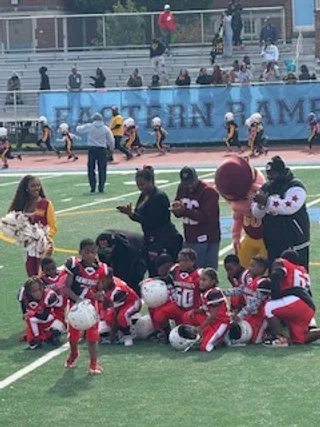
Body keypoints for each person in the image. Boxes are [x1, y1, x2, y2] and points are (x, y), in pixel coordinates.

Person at [117, 166, 183, 276]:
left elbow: (152, 221)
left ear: (151, 181)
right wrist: (130, 214)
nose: (140, 188)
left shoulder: (159, 197)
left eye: (143, 184)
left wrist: (133, 214)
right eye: (138, 185)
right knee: (150, 268)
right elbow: (141, 217)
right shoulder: (144, 195)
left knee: (163, 270)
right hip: (150, 237)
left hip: (164, 238)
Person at [252, 156, 310, 271]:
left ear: (281, 172)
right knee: (275, 276)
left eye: (273, 174)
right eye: (268, 174)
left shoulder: (296, 187)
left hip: (295, 240)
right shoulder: (267, 187)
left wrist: (267, 201)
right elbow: (257, 213)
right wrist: (260, 205)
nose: (270, 177)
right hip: (274, 241)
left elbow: (289, 207)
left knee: (297, 274)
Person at [214, 156, 268, 269]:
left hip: (266, 238)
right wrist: (236, 236)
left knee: (264, 269)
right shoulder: (239, 204)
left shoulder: (259, 195)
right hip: (250, 237)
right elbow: (238, 219)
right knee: (241, 266)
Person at [64, 238, 108, 374]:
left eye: (93, 252)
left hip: (90, 308)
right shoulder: (74, 266)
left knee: (92, 336)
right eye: (87, 252)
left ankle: (93, 363)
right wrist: (78, 300)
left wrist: (99, 295)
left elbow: (100, 290)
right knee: (73, 335)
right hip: (75, 306)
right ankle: (74, 353)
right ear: (80, 252)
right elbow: (66, 288)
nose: (90, 255)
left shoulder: (101, 269)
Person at [263, 250, 320, 347]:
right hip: (309, 306)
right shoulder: (302, 270)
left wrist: (275, 295)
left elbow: (276, 275)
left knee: (268, 307)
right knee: (299, 339)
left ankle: (280, 338)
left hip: (296, 301)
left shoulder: (281, 262)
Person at [171, 166, 220, 269]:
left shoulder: (209, 192)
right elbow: (179, 209)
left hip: (206, 238)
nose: (189, 186)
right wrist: (176, 209)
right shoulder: (182, 188)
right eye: (186, 183)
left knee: (204, 273)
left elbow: (207, 218)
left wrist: (185, 211)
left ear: (196, 178)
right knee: (187, 271)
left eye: (191, 183)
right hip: (189, 236)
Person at [8, 175, 57, 276]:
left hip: (43, 245)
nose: (36, 188)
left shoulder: (46, 203)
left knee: (41, 274)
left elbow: (53, 227)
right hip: (28, 246)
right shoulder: (22, 205)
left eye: (38, 185)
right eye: (33, 186)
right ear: (26, 188)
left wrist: (44, 237)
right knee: (31, 275)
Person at [151, 248, 201, 338]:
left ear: (193, 262)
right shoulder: (175, 270)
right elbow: (167, 280)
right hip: (177, 307)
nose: (182, 263)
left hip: (192, 311)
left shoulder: (199, 275)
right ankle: (166, 334)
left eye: (185, 260)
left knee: (186, 334)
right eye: (180, 260)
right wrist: (152, 280)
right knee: (159, 314)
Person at [182, 268, 230, 352]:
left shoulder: (214, 293)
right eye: (200, 279)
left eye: (204, 280)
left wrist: (200, 327)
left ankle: (221, 337)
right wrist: (195, 311)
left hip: (220, 322)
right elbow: (206, 309)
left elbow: (213, 315)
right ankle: (204, 335)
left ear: (212, 282)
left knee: (205, 347)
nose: (201, 282)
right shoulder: (205, 292)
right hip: (212, 321)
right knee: (188, 315)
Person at [224, 256, 270, 344]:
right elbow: (239, 290)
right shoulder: (251, 281)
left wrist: (240, 315)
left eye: (253, 266)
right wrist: (221, 292)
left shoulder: (263, 283)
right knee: (236, 329)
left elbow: (254, 304)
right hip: (251, 315)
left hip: (261, 316)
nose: (249, 269)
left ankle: (269, 332)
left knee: (255, 340)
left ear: (261, 269)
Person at [95, 229, 147, 295]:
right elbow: (103, 265)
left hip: (139, 249)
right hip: (125, 250)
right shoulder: (100, 243)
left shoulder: (124, 247)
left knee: (134, 277)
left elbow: (125, 271)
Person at [97, 270, 141, 346]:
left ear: (110, 278)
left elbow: (116, 314)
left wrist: (112, 334)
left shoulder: (118, 291)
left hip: (132, 302)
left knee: (121, 316)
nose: (101, 282)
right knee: (108, 318)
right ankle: (123, 330)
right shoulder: (108, 284)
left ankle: (128, 335)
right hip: (120, 304)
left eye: (103, 280)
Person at [20, 277, 64, 350]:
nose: (38, 292)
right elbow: (24, 309)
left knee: (30, 318)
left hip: (53, 318)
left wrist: (31, 313)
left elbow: (45, 316)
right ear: (28, 292)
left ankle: (43, 336)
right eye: (34, 291)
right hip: (39, 320)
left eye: (39, 289)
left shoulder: (49, 295)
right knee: (32, 341)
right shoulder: (24, 296)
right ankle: (42, 337)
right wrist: (27, 313)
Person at [76, 113, 114, 193]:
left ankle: (92, 186)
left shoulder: (90, 126)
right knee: (102, 169)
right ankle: (101, 187)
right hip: (102, 149)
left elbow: (79, 129)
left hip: (92, 149)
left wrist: (79, 124)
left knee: (91, 169)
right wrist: (111, 150)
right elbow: (111, 140)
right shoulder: (105, 128)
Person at [40, 256, 67, 326]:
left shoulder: (63, 274)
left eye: (53, 268)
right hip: (52, 307)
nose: (51, 271)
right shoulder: (41, 281)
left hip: (65, 303)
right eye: (48, 270)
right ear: (43, 270)